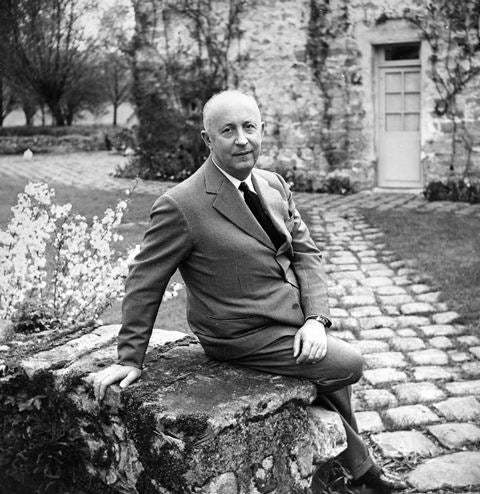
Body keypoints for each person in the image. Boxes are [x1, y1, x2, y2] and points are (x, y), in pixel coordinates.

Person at [92, 90, 406, 493]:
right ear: (207, 139)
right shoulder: (181, 204)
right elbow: (144, 279)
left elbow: (307, 254)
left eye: (249, 127)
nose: (242, 139)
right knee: (346, 364)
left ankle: (355, 473)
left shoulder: (273, 184)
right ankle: (361, 471)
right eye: (228, 130)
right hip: (238, 333)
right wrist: (129, 357)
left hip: (288, 319)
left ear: (262, 130)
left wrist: (315, 319)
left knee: (325, 363)